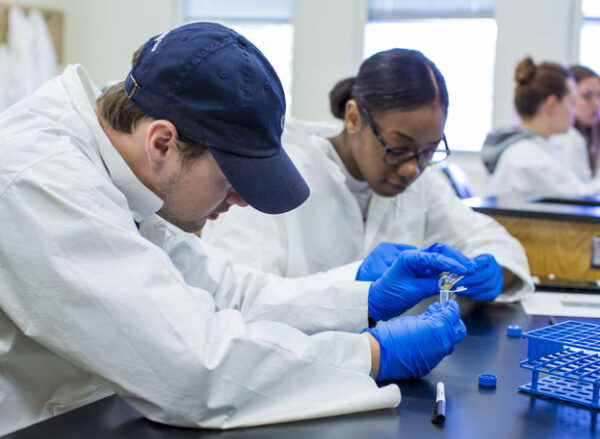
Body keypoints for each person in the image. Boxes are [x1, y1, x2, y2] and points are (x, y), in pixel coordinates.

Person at [0, 23, 472, 436]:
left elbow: (225, 293)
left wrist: (362, 301)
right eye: (231, 180)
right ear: (162, 142)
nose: (242, 200)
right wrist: (371, 355)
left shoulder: (122, 168)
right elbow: (189, 367)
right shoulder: (41, 179)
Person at [203, 49, 532, 302]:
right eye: (398, 148)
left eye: (428, 151)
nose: (411, 169)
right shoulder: (276, 171)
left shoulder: (422, 184)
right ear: (353, 117)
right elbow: (240, 296)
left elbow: (494, 243)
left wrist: (493, 272)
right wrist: (355, 280)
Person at [482, 57, 600, 197]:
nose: (573, 111)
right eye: (572, 102)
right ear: (552, 105)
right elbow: (579, 195)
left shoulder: (539, 148)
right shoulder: (525, 156)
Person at [547, 65, 600, 182]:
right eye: (587, 96)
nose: (596, 103)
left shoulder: (592, 137)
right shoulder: (565, 139)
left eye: (599, 95)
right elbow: (577, 192)